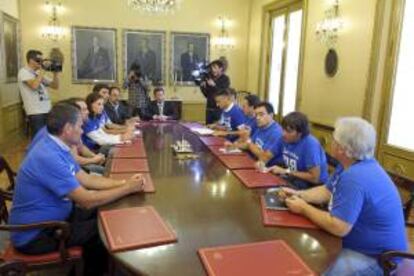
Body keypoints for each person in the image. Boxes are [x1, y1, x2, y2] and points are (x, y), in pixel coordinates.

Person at [9, 103, 146, 275]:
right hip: (35, 235)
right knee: (103, 229)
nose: (82, 131)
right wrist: (127, 189)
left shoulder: (57, 145)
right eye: (80, 126)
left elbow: (86, 179)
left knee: (105, 214)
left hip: (58, 217)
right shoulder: (48, 155)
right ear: (68, 128)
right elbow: (86, 201)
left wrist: (124, 182)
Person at [278, 117, 408, 275]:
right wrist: (299, 194)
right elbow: (327, 191)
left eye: (334, 139)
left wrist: (303, 208)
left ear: (342, 149)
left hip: (377, 258)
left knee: (313, 270)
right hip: (361, 244)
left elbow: (338, 227)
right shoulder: (351, 164)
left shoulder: (355, 177)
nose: (331, 141)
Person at [28, 98, 106, 175]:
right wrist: (93, 160)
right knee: (103, 171)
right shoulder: (59, 131)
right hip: (54, 172)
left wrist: (95, 157)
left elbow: (80, 147)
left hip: (67, 166)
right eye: (84, 109)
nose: (88, 112)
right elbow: (74, 159)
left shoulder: (72, 126)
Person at [267, 112, 329, 189]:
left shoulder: (310, 144)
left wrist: (286, 171)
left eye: (288, 131)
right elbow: (268, 155)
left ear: (300, 133)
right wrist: (262, 162)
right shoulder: (284, 138)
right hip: (295, 177)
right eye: (283, 129)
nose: (283, 133)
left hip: (313, 185)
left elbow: (314, 178)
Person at [18, 49, 59, 137]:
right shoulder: (23, 72)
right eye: (39, 60)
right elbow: (34, 86)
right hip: (36, 112)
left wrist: (55, 73)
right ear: (31, 60)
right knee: (39, 138)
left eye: (42, 60)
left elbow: (55, 86)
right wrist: (43, 70)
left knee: (49, 137)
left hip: (47, 109)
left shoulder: (38, 73)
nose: (41, 62)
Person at [229, 102, 282, 167]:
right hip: (253, 161)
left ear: (271, 115)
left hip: (267, 168)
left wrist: (248, 140)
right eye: (256, 115)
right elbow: (249, 145)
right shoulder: (261, 127)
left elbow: (263, 158)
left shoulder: (277, 133)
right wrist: (233, 146)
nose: (257, 118)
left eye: (261, 114)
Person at [200, 59, 230, 124]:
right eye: (212, 68)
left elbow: (223, 93)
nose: (213, 70)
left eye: (215, 68)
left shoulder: (225, 79)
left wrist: (214, 85)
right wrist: (203, 87)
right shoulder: (210, 78)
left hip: (219, 109)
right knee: (208, 128)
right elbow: (206, 95)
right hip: (209, 108)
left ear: (221, 68)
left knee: (218, 128)